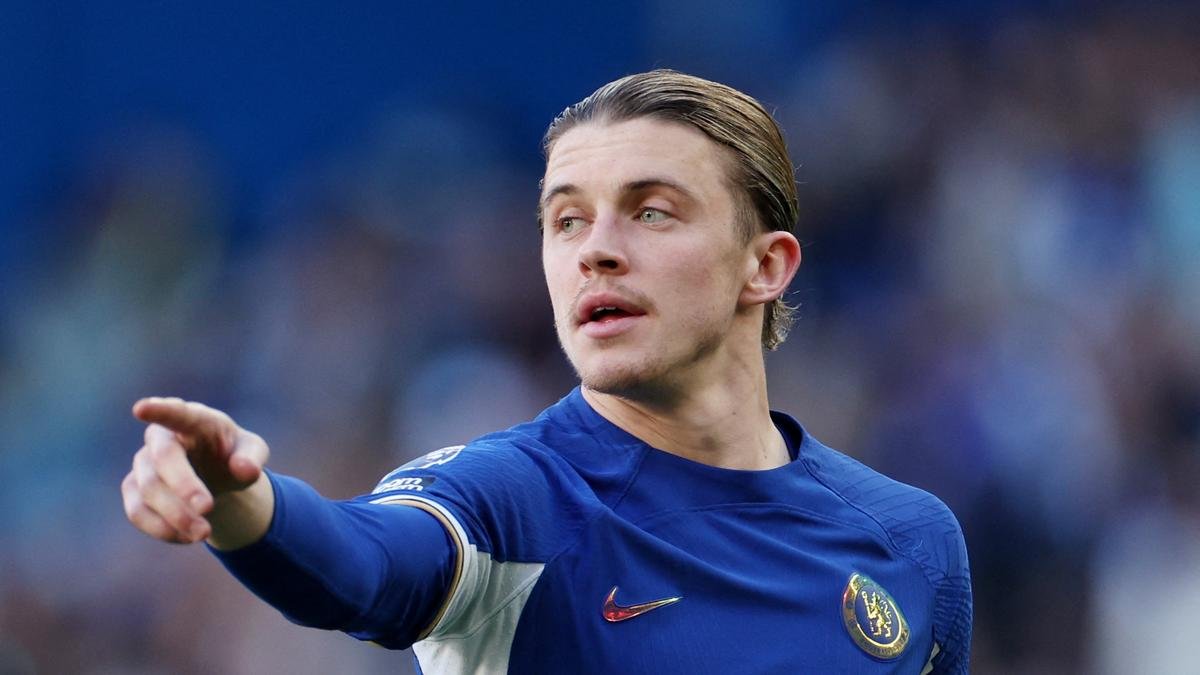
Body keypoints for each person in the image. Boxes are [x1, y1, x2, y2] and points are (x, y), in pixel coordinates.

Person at [122, 70, 972, 673]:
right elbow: (362, 563)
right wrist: (242, 502)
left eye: (651, 211)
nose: (596, 249)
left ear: (765, 265)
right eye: (566, 220)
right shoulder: (514, 498)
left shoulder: (912, 543)